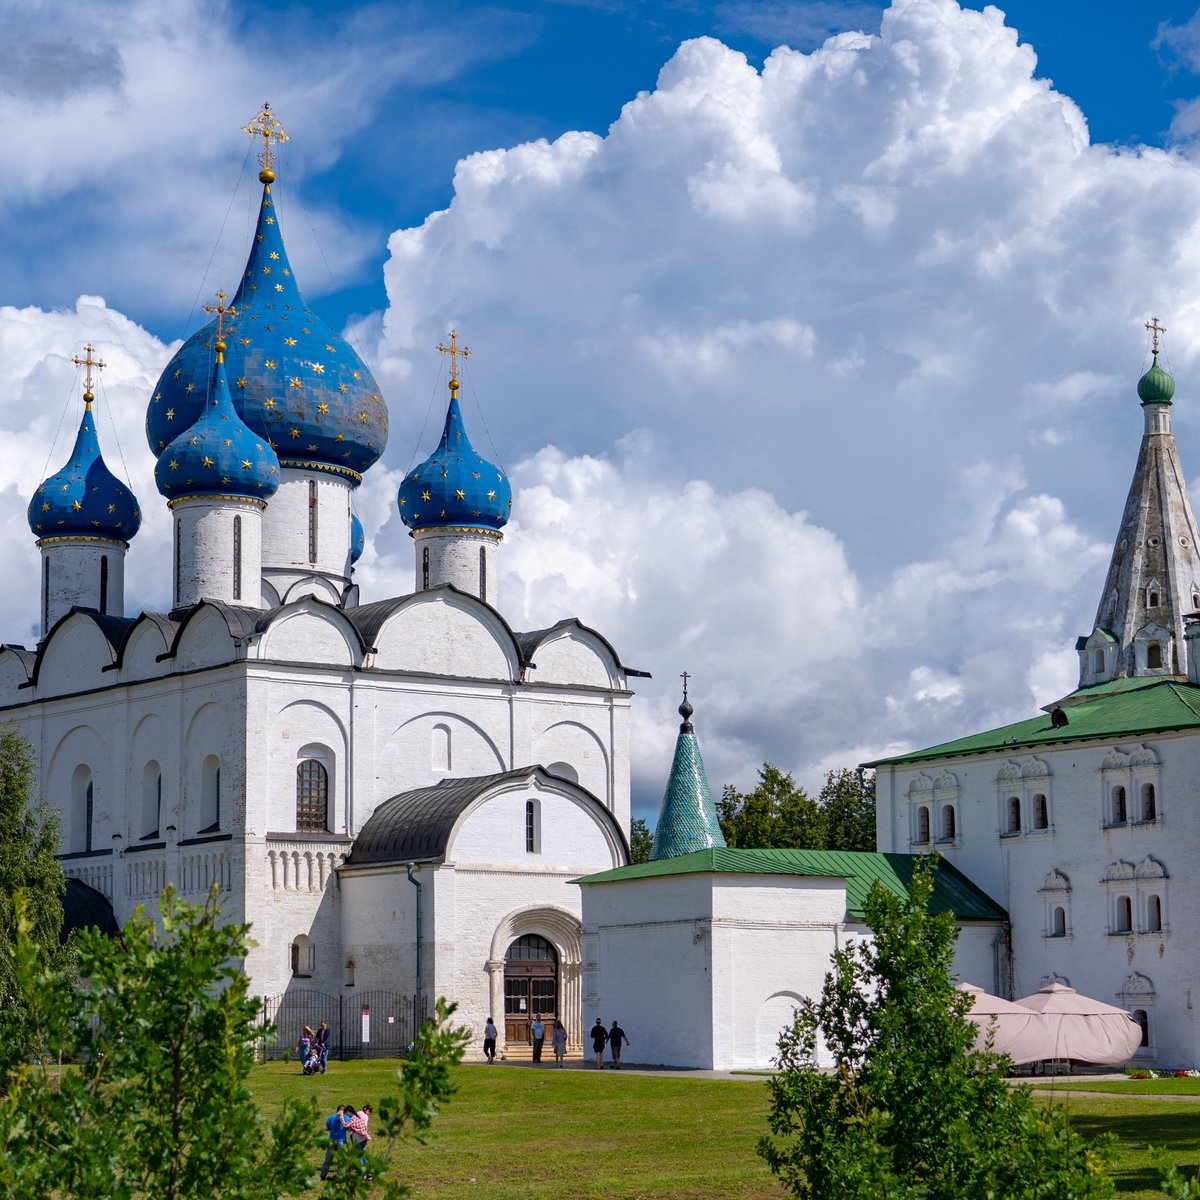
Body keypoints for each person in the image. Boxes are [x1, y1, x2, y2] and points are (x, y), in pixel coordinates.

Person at [319, 1104, 349, 1181]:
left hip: (332, 1141)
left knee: (328, 1160)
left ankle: (322, 1176)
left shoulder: (330, 1117)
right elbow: (348, 1128)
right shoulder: (346, 1117)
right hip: (341, 1141)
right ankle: (338, 1177)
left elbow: (327, 1128)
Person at [346, 1103, 373, 1180]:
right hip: (362, 1138)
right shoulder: (365, 1116)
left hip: (355, 1138)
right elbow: (364, 1127)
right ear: (368, 1110)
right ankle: (367, 1173)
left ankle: (364, 1174)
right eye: (370, 1112)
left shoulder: (357, 1113)